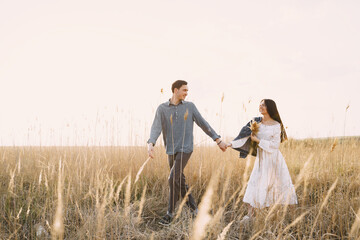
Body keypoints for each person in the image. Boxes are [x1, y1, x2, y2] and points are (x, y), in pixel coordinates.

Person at [147, 80, 227, 226]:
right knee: (179, 180)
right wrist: (150, 143)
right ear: (175, 90)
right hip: (171, 149)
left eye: (187, 91)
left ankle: (169, 213)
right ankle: (195, 210)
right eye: (184, 90)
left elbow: (203, 123)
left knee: (172, 177)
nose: (186, 93)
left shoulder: (190, 107)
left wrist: (218, 140)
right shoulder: (162, 108)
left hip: (186, 148)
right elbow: (156, 127)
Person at [227, 99, 297, 222]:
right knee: (254, 183)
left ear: (270, 107)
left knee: (280, 184)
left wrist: (258, 141)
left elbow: (275, 145)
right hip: (261, 159)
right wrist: (231, 144)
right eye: (260, 104)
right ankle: (250, 216)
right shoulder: (256, 122)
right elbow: (243, 136)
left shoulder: (276, 125)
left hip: (274, 159)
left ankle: (291, 216)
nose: (260, 106)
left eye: (263, 104)